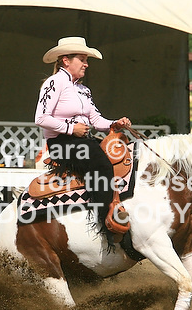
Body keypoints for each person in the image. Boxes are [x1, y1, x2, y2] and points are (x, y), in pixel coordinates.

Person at [35, 36, 132, 242]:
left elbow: (96, 120)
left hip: (81, 141)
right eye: (82, 59)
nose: (86, 64)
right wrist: (71, 128)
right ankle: (106, 225)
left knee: (124, 155)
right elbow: (41, 118)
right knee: (101, 164)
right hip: (61, 143)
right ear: (66, 60)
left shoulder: (83, 90)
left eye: (86, 60)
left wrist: (115, 123)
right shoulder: (54, 83)